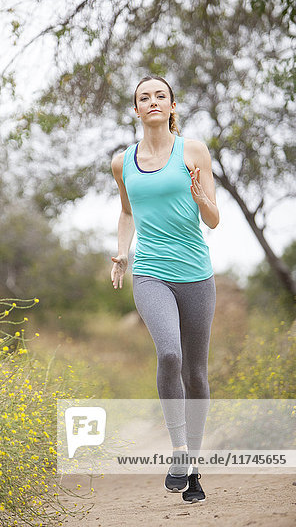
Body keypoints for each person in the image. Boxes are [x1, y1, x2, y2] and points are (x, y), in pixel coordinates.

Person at [110, 76, 219, 503]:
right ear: (136, 110)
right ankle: (177, 451)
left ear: (173, 106)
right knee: (169, 353)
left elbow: (212, 219)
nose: (152, 102)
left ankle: (193, 464)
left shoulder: (193, 151)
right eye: (143, 97)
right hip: (150, 272)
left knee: (195, 372)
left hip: (196, 274)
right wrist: (123, 252)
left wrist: (200, 195)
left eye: (160, 96)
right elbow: (125, 212)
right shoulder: (123, 162)